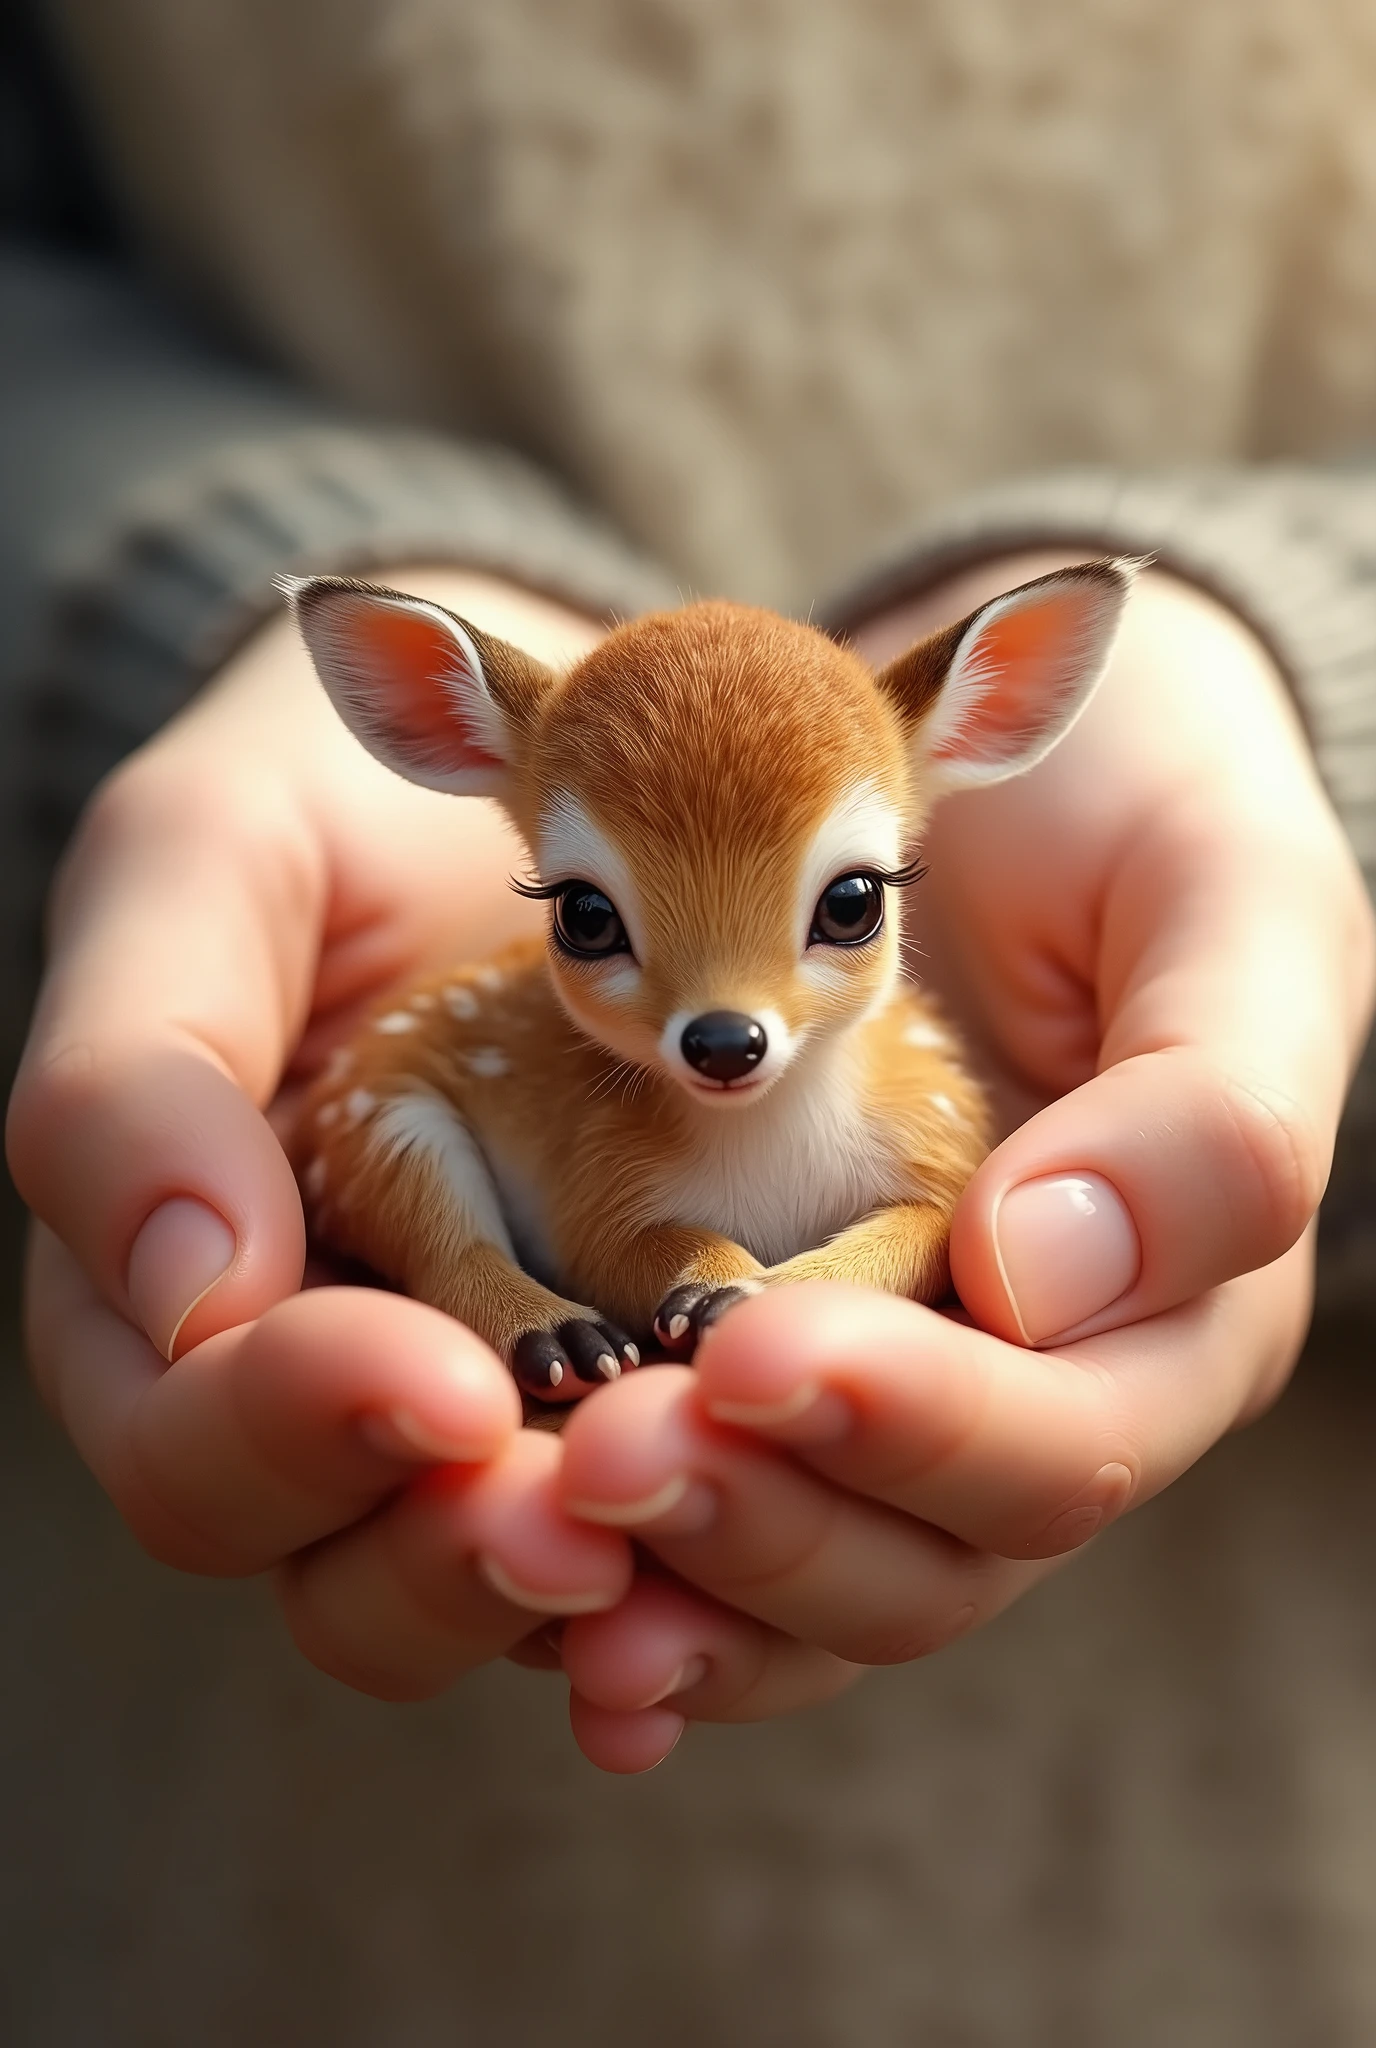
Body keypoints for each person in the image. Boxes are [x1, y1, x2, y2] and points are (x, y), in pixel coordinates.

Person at [4, 0, 1375, 1792]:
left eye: (842, 913)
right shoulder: (595, 1104)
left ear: (999, 716)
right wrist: (127, 665)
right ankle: (500, 1307)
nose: (726, 1022)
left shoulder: (918, 1110)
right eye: (595, 925)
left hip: (1278, 1746)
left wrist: (1320, 822)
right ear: (448, 742)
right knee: (412, 1118)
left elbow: (929, 1226)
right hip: (223, 1787)